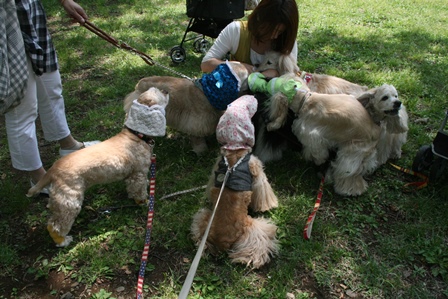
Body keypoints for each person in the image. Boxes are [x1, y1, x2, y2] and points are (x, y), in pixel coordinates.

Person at [2, 0, 96, 193]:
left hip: (29, 11)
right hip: (5, 23)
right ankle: (39, 180)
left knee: (51, 86)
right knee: (22, 108)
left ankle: (68, 144)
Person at [200, 0, 299, 78]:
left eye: (280, 31)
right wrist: (236, 67)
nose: (274, 36)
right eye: (270, 30)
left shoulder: (286, 41)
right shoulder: (236, 31)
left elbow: (291, 77)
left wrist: (276, 74)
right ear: (259, 18)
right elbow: (206, 64)